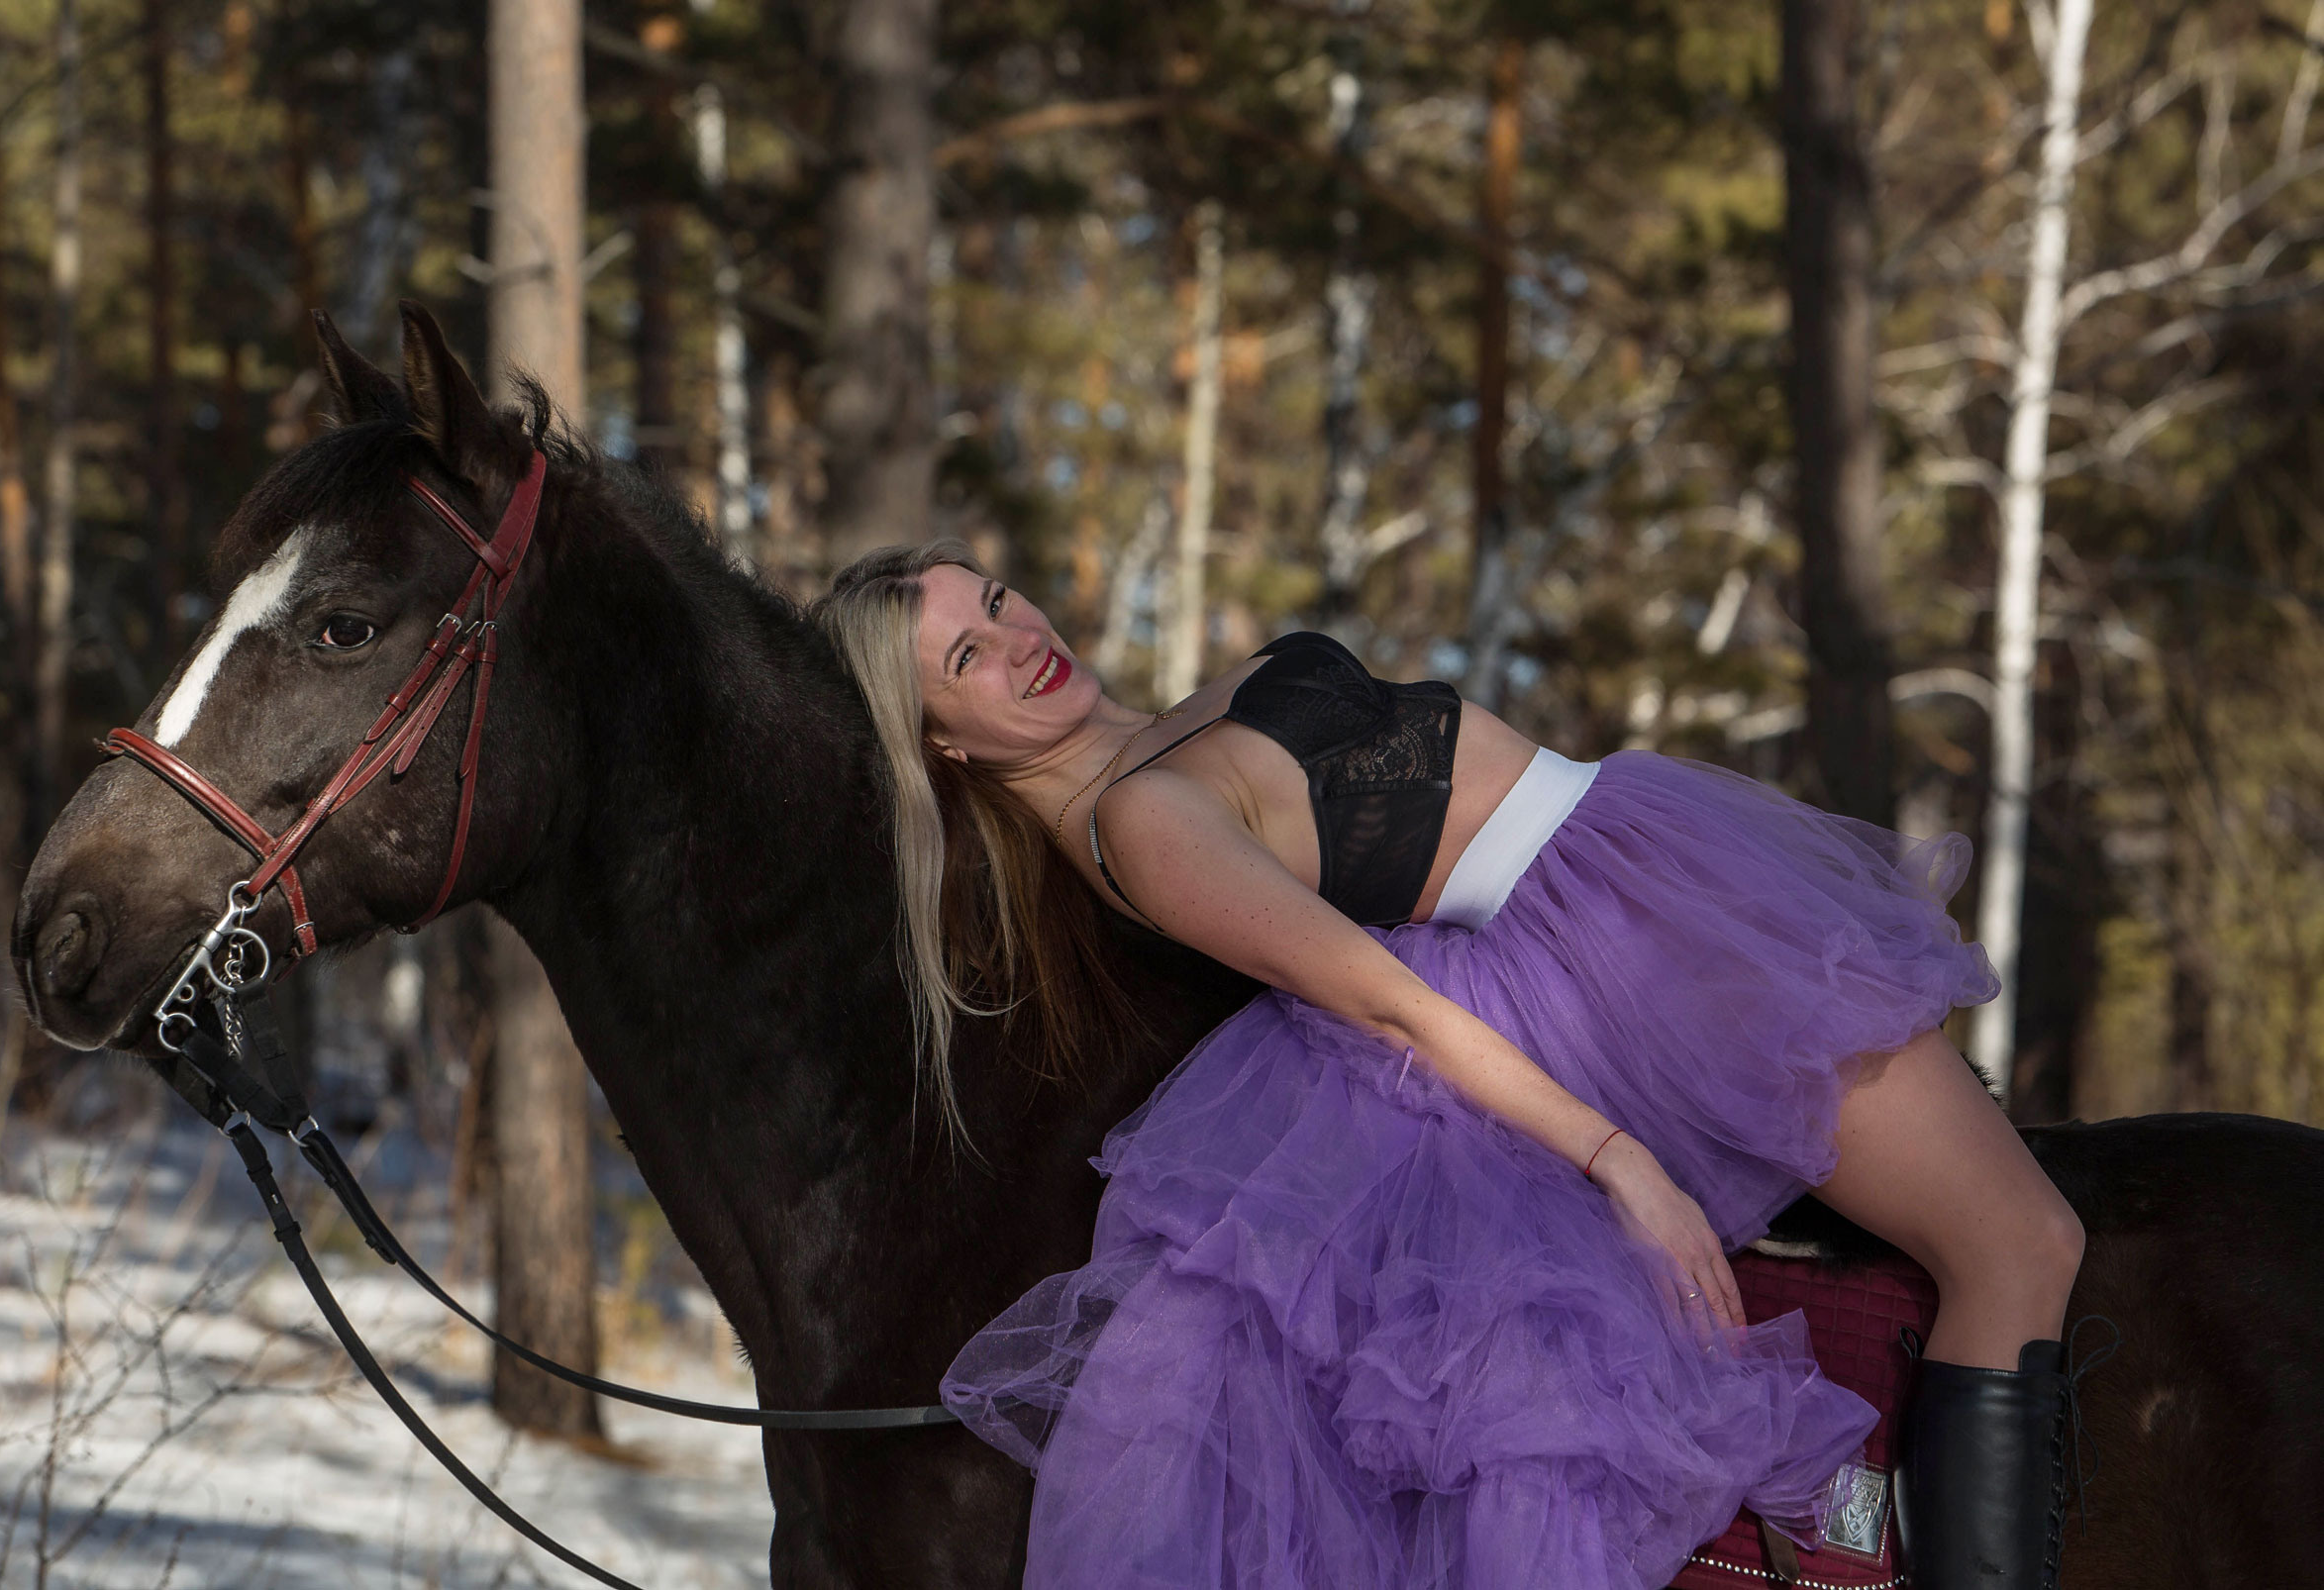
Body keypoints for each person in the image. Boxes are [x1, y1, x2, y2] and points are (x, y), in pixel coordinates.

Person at [812, 542, 2086, 1590]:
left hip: (1630, 862)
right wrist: (1618, 1157)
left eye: (990, 597)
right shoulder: (1143, 823)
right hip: (1618, 945)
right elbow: (1391, 1005)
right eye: (967, 660)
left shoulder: (1166, 739)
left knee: (2013, 1237)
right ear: (943, 745)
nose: (1019, 635)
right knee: (2019, 1244)